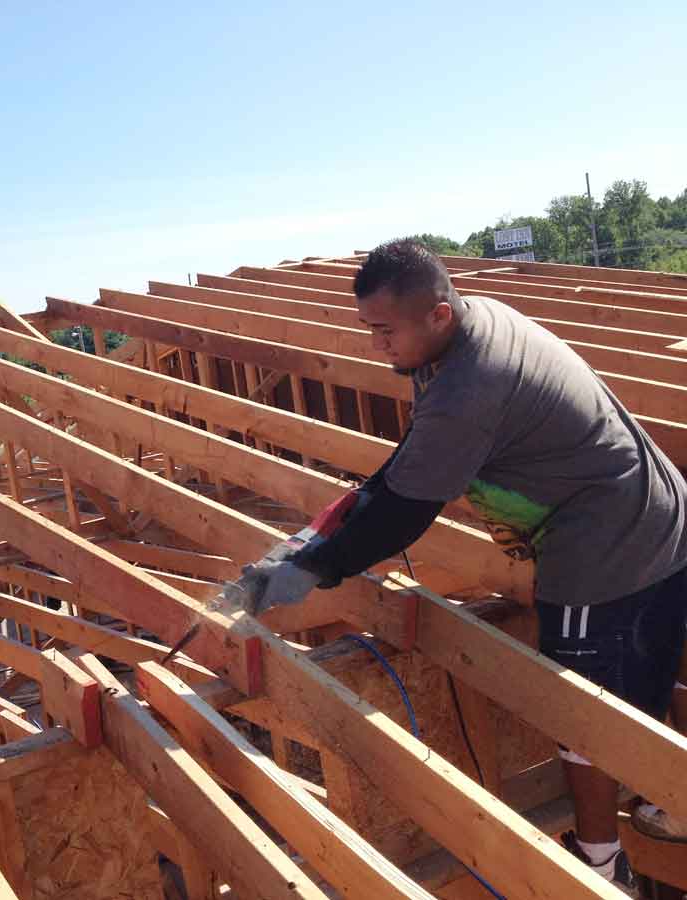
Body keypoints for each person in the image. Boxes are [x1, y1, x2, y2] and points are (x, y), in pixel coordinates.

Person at [268, 239, 687, 892]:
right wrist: (327, 532)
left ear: (437, 314)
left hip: (604, 542)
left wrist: (318, 567)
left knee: (579, 707)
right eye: (369, 329)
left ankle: (603, 863)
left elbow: (405, 512)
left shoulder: (471, 383)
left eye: (386, 331)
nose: (377, 346)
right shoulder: (472, 319)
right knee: (647, 666)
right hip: (659, 508)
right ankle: (674, 802)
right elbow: (410, 458)